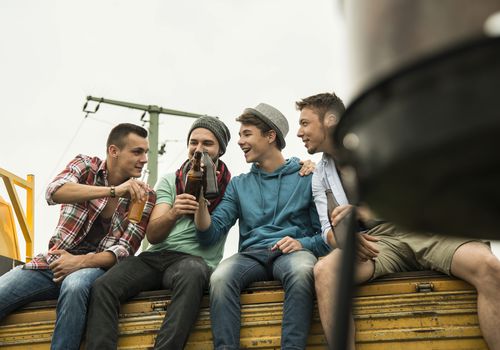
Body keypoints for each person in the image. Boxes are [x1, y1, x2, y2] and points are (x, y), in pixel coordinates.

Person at [296, 92, 500, 350]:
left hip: (423, 228)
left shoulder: (380, 141)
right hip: (381, 241)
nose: (299, 132)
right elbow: (328, 230)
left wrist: (360, 212)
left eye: (305, 123)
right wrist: (348, 240)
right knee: (325, 271)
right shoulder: (320, 174)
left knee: (489, 267)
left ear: (331, 120)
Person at [0, 123, 155, 350]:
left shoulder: (145, 195)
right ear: (114, 151)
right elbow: (54, 192)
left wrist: (79, 262)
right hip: (54, 261)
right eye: (137, 151)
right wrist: (114, 191)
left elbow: (123, 251)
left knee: (75, 287)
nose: (143, 159)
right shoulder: (85, 166)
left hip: (96, 268)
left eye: (146, 152)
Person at [84, 116, 233, 350]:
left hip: (193, 261)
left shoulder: (230, 188)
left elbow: (210, 234)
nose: (198, 149)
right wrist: (174, 212)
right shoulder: (170, 180)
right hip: (156, 256)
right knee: (104, 286)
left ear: (220, 150)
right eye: (193, 142)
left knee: (193, 273)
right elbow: (152, 235)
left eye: (207, 143)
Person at [194, 103, 330, 350]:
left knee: (302, 271)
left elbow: (324, 235)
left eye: (247, 134)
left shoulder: (307, 176)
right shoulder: (239, 185)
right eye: (239, 135)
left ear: (270, 136)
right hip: (251, 256)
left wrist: (302, 243)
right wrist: (201, 198)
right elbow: (210, 234)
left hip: (292, 251)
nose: (239, 141)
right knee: (221, 277)